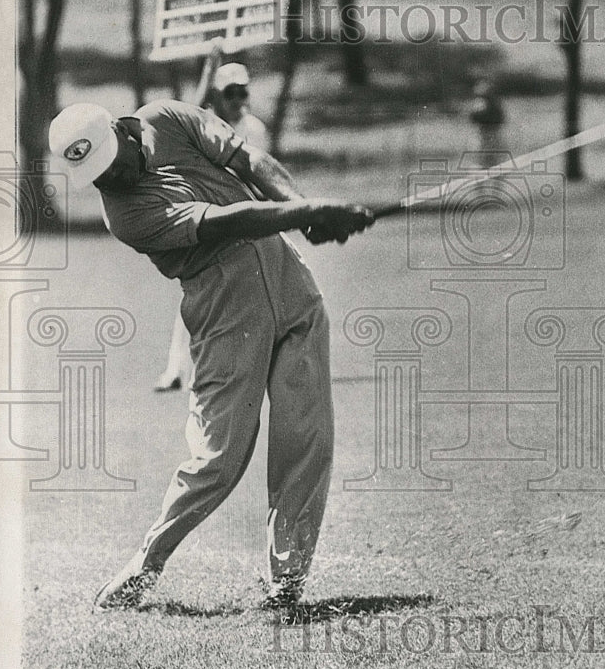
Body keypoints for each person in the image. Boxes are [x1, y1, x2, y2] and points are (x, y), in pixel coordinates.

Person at [49, 99, 374, 613]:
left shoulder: (168, 118)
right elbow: (224, 222)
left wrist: (303, 208)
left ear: (123, 132)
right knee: (218, 459)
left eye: (113, 163)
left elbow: (249, 162)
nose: (110, 179)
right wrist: (308, 212)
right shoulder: (125, 216)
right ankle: (147, 563)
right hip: (225, 311)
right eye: (97, 177)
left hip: (289, 282)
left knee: (305, 434)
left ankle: (286, 582)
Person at [155, 47, 269, 391]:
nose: (237, 100)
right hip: (207, 215)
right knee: (197, 292)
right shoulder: (203, 124)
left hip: (241, 215)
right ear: (217, 95)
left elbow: (256, 172)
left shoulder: (254, 129)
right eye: (229, 93)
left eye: (242, 92)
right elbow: (186, 112)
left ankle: (242, 366)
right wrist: (209, 66)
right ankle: (177, 369)